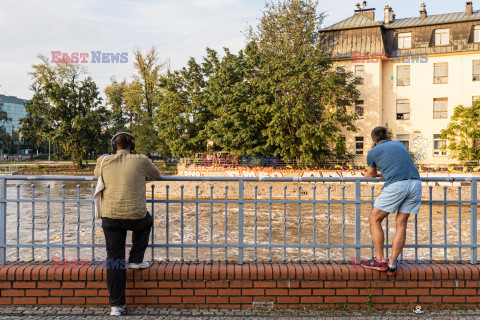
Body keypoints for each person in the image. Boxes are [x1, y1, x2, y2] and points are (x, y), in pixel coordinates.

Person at [94, 132, 161, 316]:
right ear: (132, 145)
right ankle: (135, 260)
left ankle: (116, 306)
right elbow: (156, 174)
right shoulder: (141, 160)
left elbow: (95, 173)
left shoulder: (104, 160)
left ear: (113, 146)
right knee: (147, 222)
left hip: (111, 217)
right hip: (136, 216)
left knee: (114, 260)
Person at [360, 127, 422, 276]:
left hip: (397, 186)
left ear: (373, 141)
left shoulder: (372, 152)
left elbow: (372, 174)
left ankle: (380, 261)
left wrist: (368, 168)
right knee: (401, 223)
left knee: (374, 219)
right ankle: (392, 263)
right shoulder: (399, 145)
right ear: (388, 136)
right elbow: (398, 167)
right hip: (415, 184)